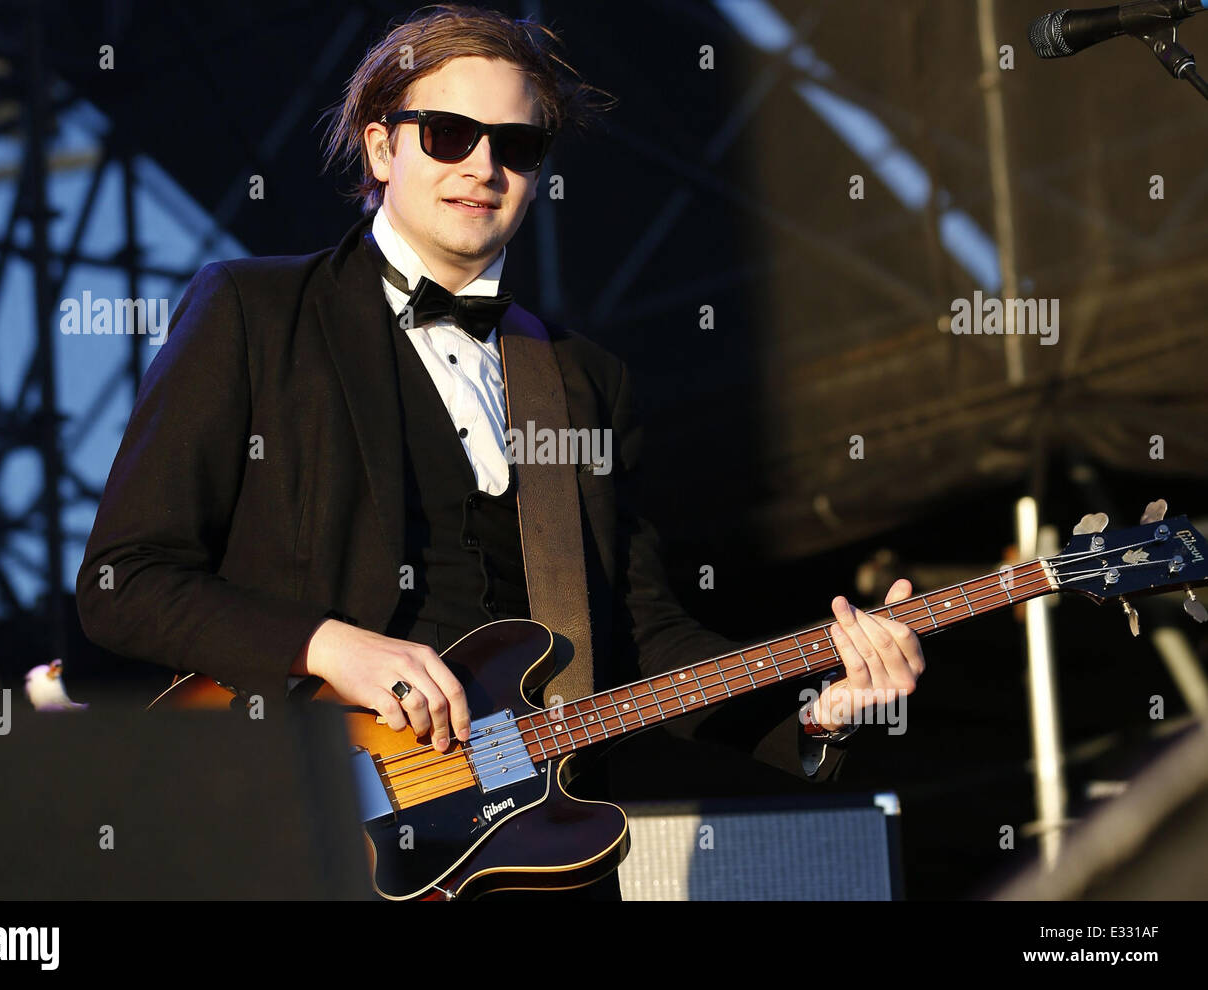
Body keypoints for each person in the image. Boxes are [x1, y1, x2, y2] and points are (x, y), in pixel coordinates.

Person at [75, 4, 925, 899]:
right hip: (313, 831)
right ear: (379, 149)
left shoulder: (583, 378)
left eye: (517, 147)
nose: (484, 166)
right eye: (448, 134)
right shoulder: (253, 312)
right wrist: (327, 647)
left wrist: (814, 708)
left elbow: (639, 637)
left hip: (536, 861)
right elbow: (124, 581)